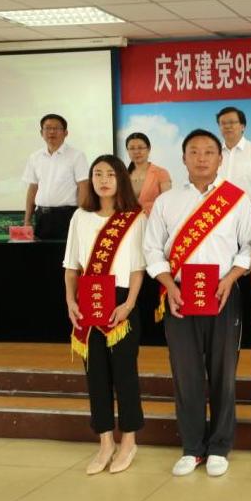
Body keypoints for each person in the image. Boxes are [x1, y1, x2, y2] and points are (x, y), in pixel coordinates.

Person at [143, 129, 251, 477]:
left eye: (209, 151)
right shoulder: (167, 201)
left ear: (220, 158)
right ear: (183, 158)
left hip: (223, 294)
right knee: (186, 374)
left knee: (223, 374)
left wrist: (231, 278)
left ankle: (219, 446)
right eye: (194, 151)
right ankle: (192, 447)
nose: (202, 158)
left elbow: (249, 247)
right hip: (179, 296)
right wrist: (168, 285)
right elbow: (152, 249)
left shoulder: (236, 199)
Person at [63, 155, 146, 475]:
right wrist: (70, 301)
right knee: (95, 375)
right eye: (97, 174)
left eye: (110, 174)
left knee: (124, 374)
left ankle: (129, 441)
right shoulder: (80, 217)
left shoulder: (135, 218)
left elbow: (138, 268)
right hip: (88, 301)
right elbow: (71, 266)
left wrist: (130, 304)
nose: (103, 180)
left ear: (121, 179)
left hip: (121, 301)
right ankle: (105, 442)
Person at [23, 113, 89, 239]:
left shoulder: (76, 155)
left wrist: (81, 217)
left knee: (65, 251)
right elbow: (33, 188)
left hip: (67, 216)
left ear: (65, 133)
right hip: (41, 217)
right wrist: (27, 220)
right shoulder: (35, 157)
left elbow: (84, 187)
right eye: (47, 128)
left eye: (56, 128)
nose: (52, 132)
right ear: (41, 133)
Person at [125, 132, 172, 215]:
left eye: (140, 148)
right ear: (127, 150)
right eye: (132, 148)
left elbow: (167, 203)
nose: (136, 152)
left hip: (154, 220)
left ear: (149, 149)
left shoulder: (161, 173)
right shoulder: (123, 175)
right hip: (129, 221)